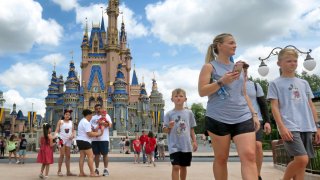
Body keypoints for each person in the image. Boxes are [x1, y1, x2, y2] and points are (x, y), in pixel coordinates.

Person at [198, 33, 260, 179]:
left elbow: (244, 94)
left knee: (250, 156)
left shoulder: (240, 68)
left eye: (235, 43)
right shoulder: (209, 67)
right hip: (218, 117)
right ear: (220, 46)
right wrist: (222, 81)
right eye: (231, 43)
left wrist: (254, 115)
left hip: (242, 116)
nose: (235, 45)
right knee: (221, 158)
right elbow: (202, 91)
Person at [267, 48, 320, 180]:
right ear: (279, 63)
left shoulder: (304, 83)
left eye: (295, 61)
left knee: (302, 164)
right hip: (289, 126)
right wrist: (281, 127)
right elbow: (274, 107)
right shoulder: (275, 83)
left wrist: (317, 126)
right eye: (289, 61)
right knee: (302, 159)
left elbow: (311, 105)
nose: (293, 63)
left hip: (307, 125)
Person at [243, 65, 272, 180]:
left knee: (258, 145)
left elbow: (263, 104)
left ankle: (257, 174)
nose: (243, 73)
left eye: (245, 71)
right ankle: (249, 173)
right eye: (241, 71)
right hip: (241, 120)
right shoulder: (233, 86)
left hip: (257, 119)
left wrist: (267, 121)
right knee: (247, 151)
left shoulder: (255, 85)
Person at [163, 88, 198, 180]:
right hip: (173, 146)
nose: (178, 98)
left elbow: (191, 129)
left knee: (183, 167)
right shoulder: (168, 114)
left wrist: (194, 141)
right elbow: (165, 130)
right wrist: (169, 127)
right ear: (172, 99)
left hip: (186, 145)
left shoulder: (189, 113)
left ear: (185, 99)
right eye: (176, 96)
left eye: (181, 96)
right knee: (176, 167)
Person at [76, 109, 102, 177]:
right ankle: (92, 173)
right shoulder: (86, 122)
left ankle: (81, 173)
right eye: (91, 115)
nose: (92, 116)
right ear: (88, 115)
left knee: (82, 157)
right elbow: (89, 134)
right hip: (85, 141)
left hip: (79, 141)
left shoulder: (81, 121)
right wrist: (98, 133)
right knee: (90, 156)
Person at [90, 104, 112, 176]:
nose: (98, 110)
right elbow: (90, 127)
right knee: (96, 155)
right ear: (95, 109)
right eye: (97, 109)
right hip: (95, 139)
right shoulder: (92, 117)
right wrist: (92, 128)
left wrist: (102, 123)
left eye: (99, 108)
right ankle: (97, 169)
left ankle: (106, 169)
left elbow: (110, 125)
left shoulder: (106, 115)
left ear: (101, 108)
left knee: (105, 154)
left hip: (104, 139)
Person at [54, 109, 76, 176]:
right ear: (64, 115)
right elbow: (56, 131)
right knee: (62, 155)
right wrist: (57, 138)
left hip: (68, 140)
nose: (67, 116)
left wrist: (72, 135)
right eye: (66, 114)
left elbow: (73, 131)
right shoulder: (60, 121)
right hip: (62, 140)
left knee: (68, 156)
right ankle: (59, 171)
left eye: (69, 115)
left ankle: (68, 172)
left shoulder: (71, 122)